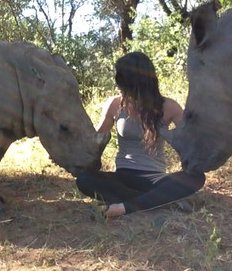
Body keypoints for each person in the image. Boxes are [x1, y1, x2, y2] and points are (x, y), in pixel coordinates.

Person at [76, 51, 206, 217]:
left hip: (156, 180)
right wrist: (68, 145)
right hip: (122, 178)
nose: (117, 84)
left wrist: (230, 146)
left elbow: (194, 137)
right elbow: (95, 140)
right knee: (84, 180)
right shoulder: (115, 104)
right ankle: (162, 202)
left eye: (121, 79)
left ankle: (122, 208)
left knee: (196, 178)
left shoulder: (169, 107)